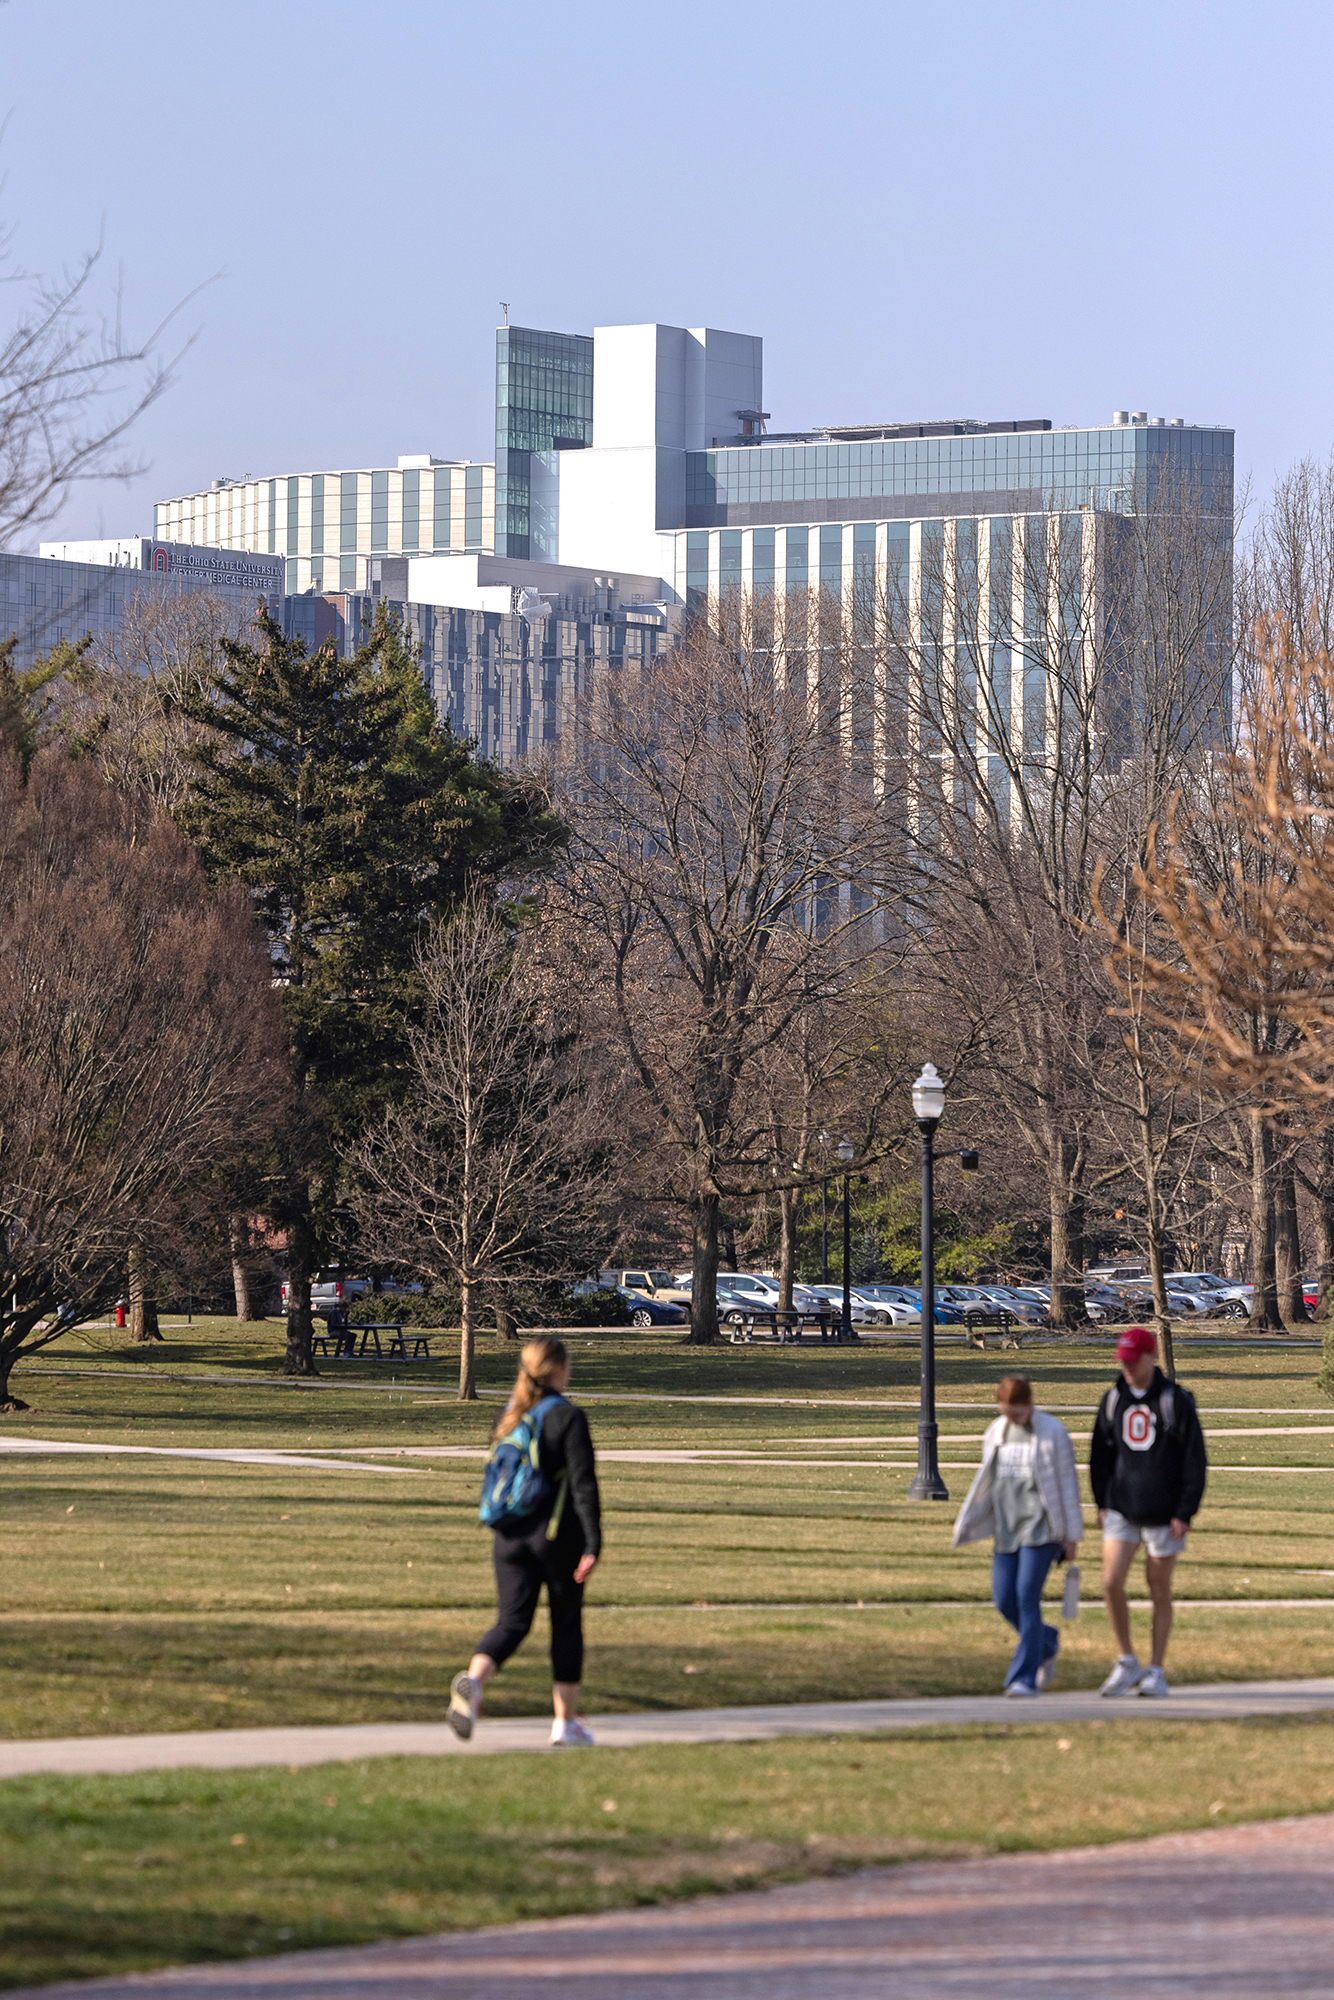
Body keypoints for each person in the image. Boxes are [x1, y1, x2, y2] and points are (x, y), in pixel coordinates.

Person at [447, 1335, 601, 1746]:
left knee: (512, 1621)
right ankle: (565, 1724)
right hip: (555, 1537)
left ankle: (474, 1682)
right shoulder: (567, 1418)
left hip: (508, 1537)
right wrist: (593, 1543)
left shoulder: (510, 1417)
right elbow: (584, 1486)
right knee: (566, 1625)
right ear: (556, 1369)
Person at [1090, 1325, 1208, 1698]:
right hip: (1122, 1507)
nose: (1126, 1367)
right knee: (1111, 1583)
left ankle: (1156, 1669)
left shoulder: (1176, 1400)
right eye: (1121, 1360)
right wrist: (1101, 1502)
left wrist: (1184, 1512)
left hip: (1165, 1512)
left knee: (1158, 1587)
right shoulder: (1113, 1399)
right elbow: (1099, 1457)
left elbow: (1195, 1460)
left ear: (1150, 1357)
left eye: (1131, 1360)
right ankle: (1127, 1660)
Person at [952, 1374, 1083, 1697]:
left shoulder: (1052, 1432)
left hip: (1041, 1529)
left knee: (1026, 1597)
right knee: (1004, 1599)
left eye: (1018, 1413)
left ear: (1030, 1405)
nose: (1012, 1418)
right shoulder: (996, 1431)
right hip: (1007, 1529)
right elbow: (987, 1479)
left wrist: (1071, 1535)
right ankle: (1046, 1641)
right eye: (1007, 1411)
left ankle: (1023, 1678)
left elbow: (1068, 1486)